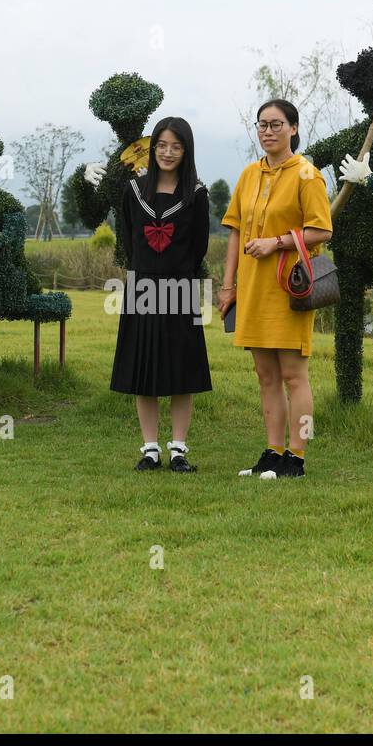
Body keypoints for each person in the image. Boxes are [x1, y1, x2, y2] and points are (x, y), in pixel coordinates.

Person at [218, 100, 333, 479]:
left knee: (293, 375)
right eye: (262, 125)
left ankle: (297, 457)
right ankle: (272, 451)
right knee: (265, 375)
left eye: (277, 125)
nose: (268, 132)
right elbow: (235, 232)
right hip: (252, 288)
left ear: (294, 129)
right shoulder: (249, 174)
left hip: (289, 287)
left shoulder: (307, 176)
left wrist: (276, 242)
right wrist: (228, 285)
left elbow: (322, 229)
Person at [108, 117, 212, 471]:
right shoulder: (134, 190)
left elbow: (199, 246)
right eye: (162, 146)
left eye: (176, 146)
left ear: (186, 151)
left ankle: (179, 449)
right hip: (142, 288)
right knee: (144, 369)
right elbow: (127, 236)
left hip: (181, 287)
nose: (168, 153)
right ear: (151, 151)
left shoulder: (196, 194)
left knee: (182, 370)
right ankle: (150, 449)